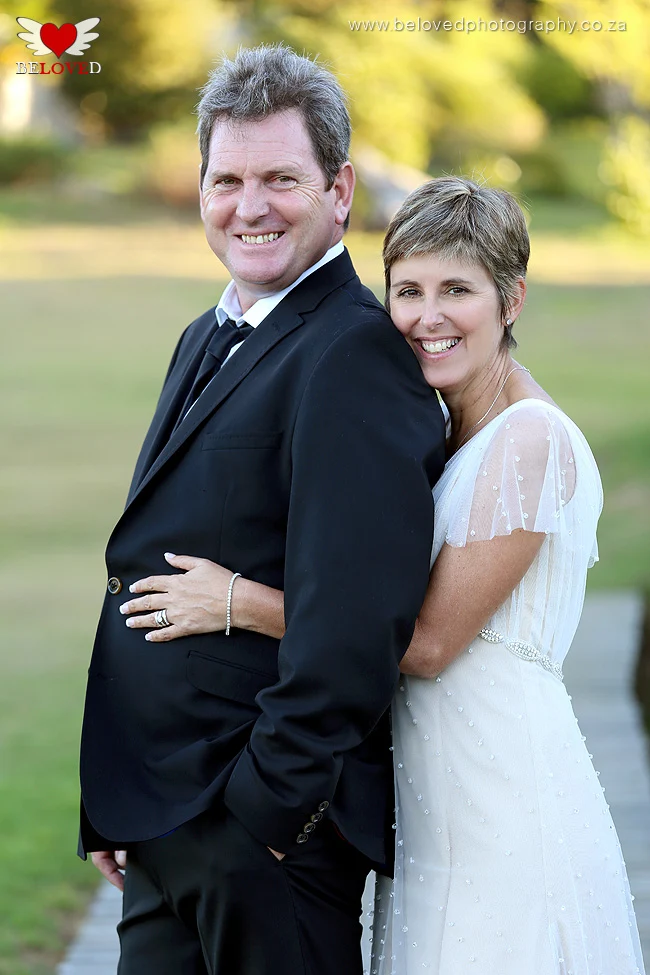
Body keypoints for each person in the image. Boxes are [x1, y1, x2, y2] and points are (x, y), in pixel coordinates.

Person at [142, 176, 646, 975]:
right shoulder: (444, 424)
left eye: (457, 290)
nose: (427, 317)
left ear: (511, 299)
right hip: (432, 795)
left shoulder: (530, 440)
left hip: (500, 792)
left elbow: (430, 643)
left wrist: (238, 600)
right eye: (408, 291)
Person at [78, 44, 446, 975]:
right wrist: (117, 794)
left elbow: (357, 623)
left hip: (264, 835)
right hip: (162, 815)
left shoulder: (354, 355)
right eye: (227, 180)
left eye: (282, 178)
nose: (251, 207)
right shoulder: (204, 335)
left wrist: (268, 814)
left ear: (340, 190)